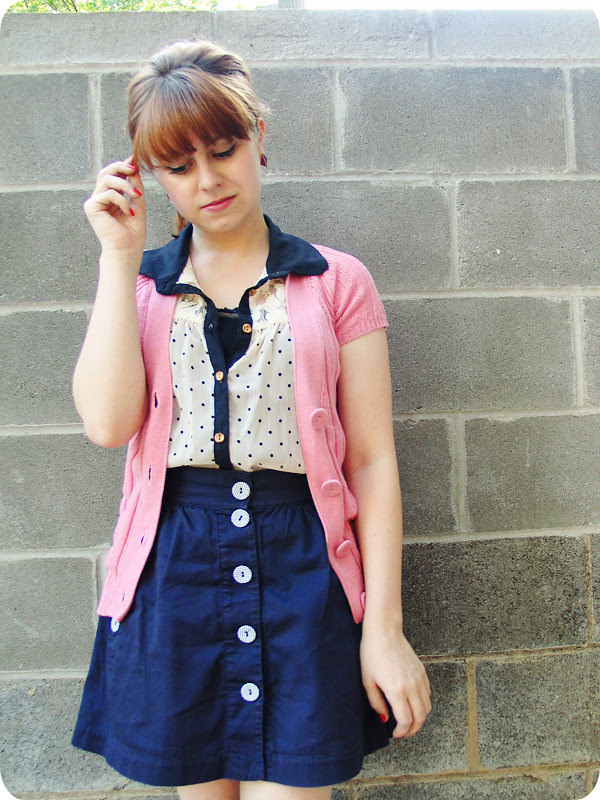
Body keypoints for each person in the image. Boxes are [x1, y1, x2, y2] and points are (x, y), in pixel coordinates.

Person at [71, 39, 431, 800]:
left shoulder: (336, 282)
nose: (207, 179)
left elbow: (371, 460)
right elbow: (106, 424)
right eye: (178, 166)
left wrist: (384, 627)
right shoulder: (140, 287)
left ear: (258, 136)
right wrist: (118, 257)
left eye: (223, 149)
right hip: (173, 571)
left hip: (305, 569)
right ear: (150, 175)